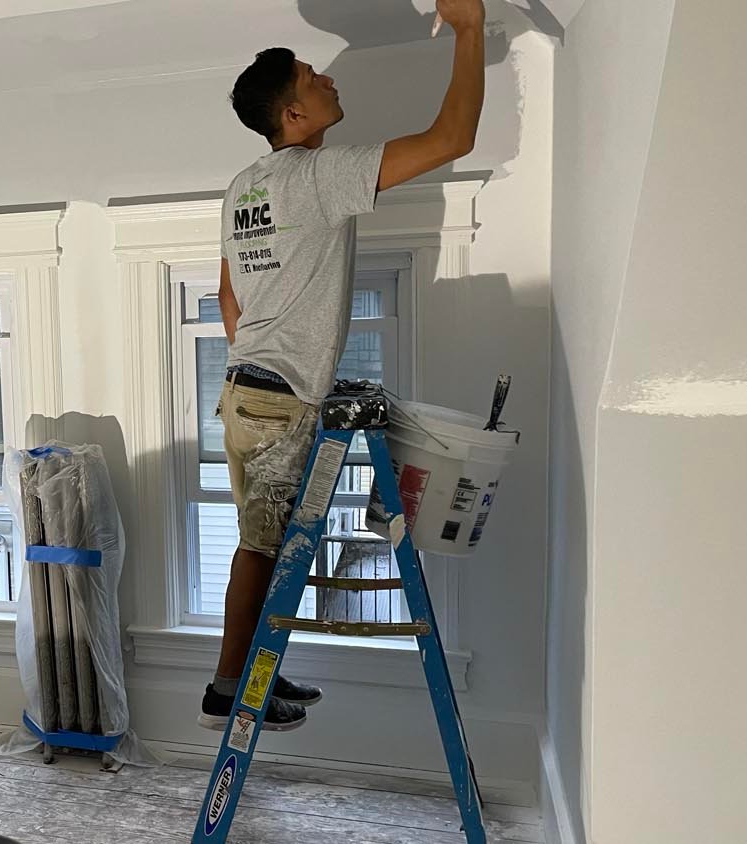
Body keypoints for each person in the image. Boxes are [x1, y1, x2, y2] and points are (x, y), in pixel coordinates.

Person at [201, 0, 487, 732]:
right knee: (265, 547)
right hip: (275, 401)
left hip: (247, 392)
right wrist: (469, 28)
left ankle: (255, 672)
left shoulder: (244, 187)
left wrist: (262, 364)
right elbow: (453, 137)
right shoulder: (316, 176)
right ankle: (228, 688)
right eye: (310, 77)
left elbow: (230, 294)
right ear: (293, 115)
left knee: (268, 542)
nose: (327, 78)